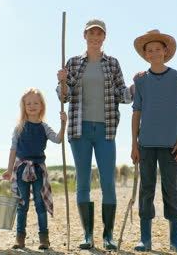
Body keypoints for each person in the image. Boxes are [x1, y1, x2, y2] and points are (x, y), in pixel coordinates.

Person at [56, 19, 135, 250]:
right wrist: (61, 82)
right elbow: (65, 96)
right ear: (84, 35)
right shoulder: (72, 63)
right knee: (83, 183)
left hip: (106, 129)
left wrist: (134, 88)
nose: (95, 37)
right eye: (91, 33)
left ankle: (108, 234)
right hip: (79, 130)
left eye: (99, 34)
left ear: (104, 37)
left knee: (108, 182)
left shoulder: (112, 63)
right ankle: (87, 235)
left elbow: (121, 93)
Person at [131, 30, 177, 253]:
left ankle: (176, 238)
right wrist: (134, 144)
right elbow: (136, 112)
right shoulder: (141, 80)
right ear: (145, 54)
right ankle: (145, 239)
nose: (154, 53)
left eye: (158, 49)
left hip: (170, 144)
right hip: (146, 143)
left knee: (170, 189)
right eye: (150, 50)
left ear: (165, 51)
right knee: (146, 190)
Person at [2, 87, 66, 250]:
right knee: (22, 204)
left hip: (38, 169)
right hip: (22, 168)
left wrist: (63, 124)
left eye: (36, 103)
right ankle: (20, 238)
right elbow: (13, 149)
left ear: (41, 106)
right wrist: (9, 170)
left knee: (40, 204)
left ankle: (44, 238)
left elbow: (58, 140)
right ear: (23, 106)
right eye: (28, 103)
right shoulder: (19, 127)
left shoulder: (44, 127)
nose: (32, 106)